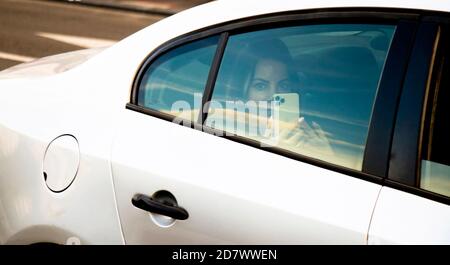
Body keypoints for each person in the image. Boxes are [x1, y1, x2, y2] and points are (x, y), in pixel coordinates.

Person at [240, 38, 334, 158]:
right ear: (243, 92)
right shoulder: (229, 134)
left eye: (283, 85)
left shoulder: (307, 136)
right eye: (261, 86)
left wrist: (326, 156)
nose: (274, 96)